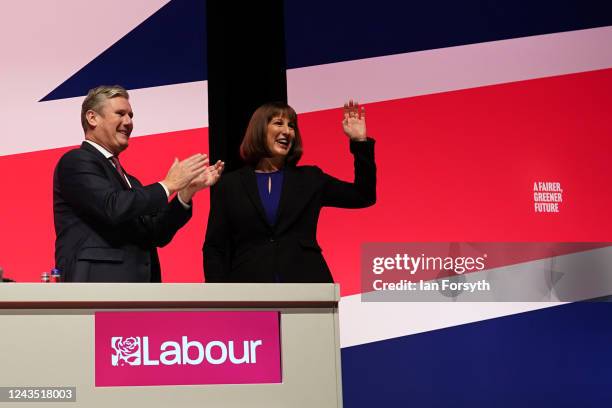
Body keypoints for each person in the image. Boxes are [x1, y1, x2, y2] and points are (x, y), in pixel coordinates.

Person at [54, 85, 223, 282]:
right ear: (92, 118)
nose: (128, 122)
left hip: (138, 291)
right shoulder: (76, 161)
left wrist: (186, 192)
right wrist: (168, 185)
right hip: (99, 286)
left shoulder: (129, 180)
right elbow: (113, 207)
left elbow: (155, 233)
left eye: (131, 115)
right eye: (120, 113)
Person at [203, 100, 375, 282]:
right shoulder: (230, 185)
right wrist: (219, 298)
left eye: (291, 126)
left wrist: (359, 142)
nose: (287, 131)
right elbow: (215, 247)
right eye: (278, 123)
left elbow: (363, 195)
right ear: (259, 130)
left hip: (307, 285)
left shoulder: (310, 178)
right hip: (249, 288)